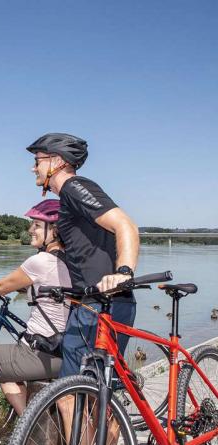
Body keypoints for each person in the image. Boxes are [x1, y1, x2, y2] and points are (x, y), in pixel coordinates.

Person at [0, 199, 72, 445]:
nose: (30, 230)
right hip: (65, 350)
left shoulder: (40, 261)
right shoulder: (71, 261)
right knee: (3, 369)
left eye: (35, 225)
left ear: (54, 230)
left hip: (39, 353)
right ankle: (30, 425)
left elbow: (2, 286)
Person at [26, 132, 140, 378]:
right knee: (92, 387)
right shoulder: (68, 197)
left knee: (73, 387)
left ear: (56, 161)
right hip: (91, 302)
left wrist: (123, 273)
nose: (32, 168)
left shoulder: (74, 187)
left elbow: (125, 225)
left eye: (37, 161)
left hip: (105, 302)